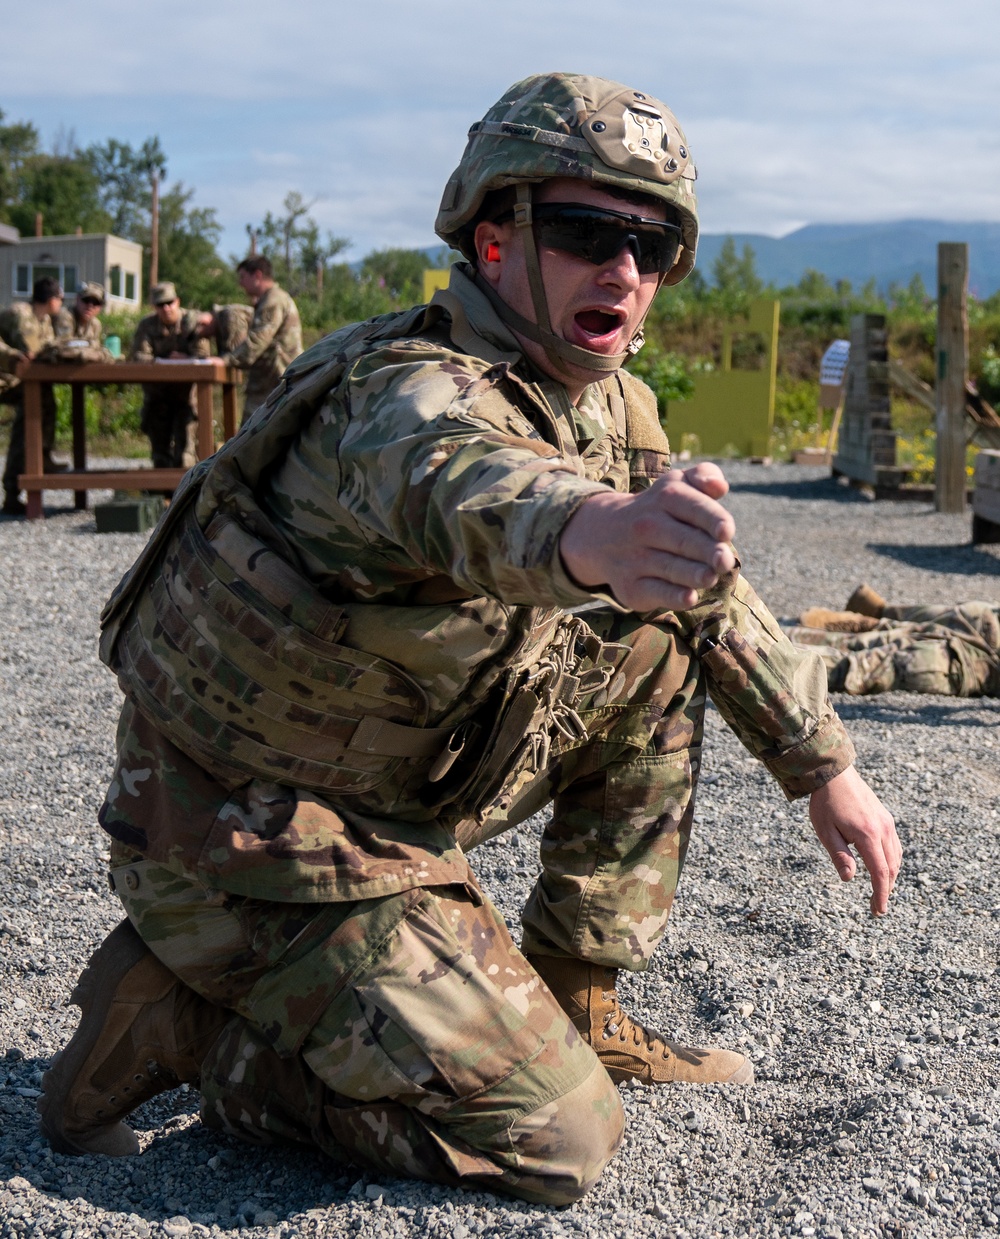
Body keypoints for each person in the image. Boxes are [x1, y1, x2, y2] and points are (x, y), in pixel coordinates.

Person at [39, 74, 900, 1204]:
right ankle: (188, 1024)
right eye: (589, 232)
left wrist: (821, 767)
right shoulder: (399, 393)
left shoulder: (602, 401)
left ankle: (572, 990)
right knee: (558, 1143)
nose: (625, 273)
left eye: (655, 247)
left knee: (655, 652)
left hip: (388, 786)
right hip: (250, 837)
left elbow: (702, 591)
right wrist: (596, 532)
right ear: (493, 244)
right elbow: (470, 485)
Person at [782, 584, 1000, 697]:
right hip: (968, 660)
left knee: (880, 643)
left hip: (977, 637)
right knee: (858, 665)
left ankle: (771, 647)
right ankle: (767, 655)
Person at [1, 276, 65, 516]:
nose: (61, 303)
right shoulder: (22, 314)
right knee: (29, 420)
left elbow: (48, 350)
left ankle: (41, 457)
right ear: (51, 299)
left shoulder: (44, 319)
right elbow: (32, 353)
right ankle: (13, 489)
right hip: (8, 379)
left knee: (42, 403)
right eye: (60, 298)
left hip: (18, 380)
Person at [129, 281, 211, 468]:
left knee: (186, 456)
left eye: (170, 302)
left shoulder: (191, 321)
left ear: (177, 301)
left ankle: (186, 495)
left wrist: (185, 358)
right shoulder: (147, 325)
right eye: (160, 305)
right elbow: (139, 356)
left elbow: (203, 355)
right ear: (154, 307)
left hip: (186, 398)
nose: (166, 308)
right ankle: (162, 495)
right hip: (157, 397)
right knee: (159, 455)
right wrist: (162, 361)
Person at [219, 255, 302, 420]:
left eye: (243, 277)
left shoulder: (273, 300)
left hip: (274, 381)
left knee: (251, 438)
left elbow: (258, 340)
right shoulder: (272, 299)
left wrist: (226, 361)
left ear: (257, 275)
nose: (240, 283)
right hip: (274, 381)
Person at [52, 282, 107, 346]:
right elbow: (65, 347)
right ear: (77, 299)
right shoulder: (65, 317)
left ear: (100, 307)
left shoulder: (95, 325)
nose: (90, 306)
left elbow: (96, 348)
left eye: (95, 303)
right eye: (86, 300)